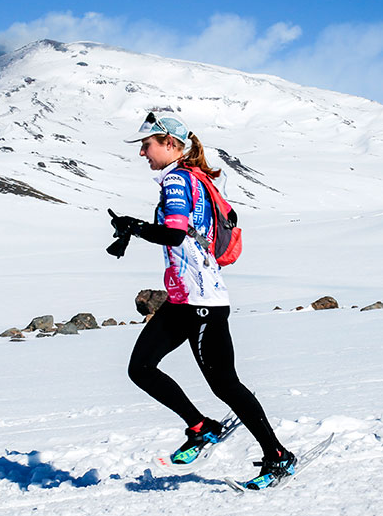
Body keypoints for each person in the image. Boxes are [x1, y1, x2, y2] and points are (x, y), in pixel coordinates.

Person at [107, 111, 297, 490]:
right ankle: (201, 427)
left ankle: (278, 457)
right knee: (140, 368)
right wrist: (136, 226)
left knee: (225, 384)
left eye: (147, 145)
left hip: (201, 302)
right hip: (183, 300)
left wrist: (136, 227)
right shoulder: (191, 177)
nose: (142, 153)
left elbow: (175, 234)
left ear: (170, 144)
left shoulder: (177, 180)